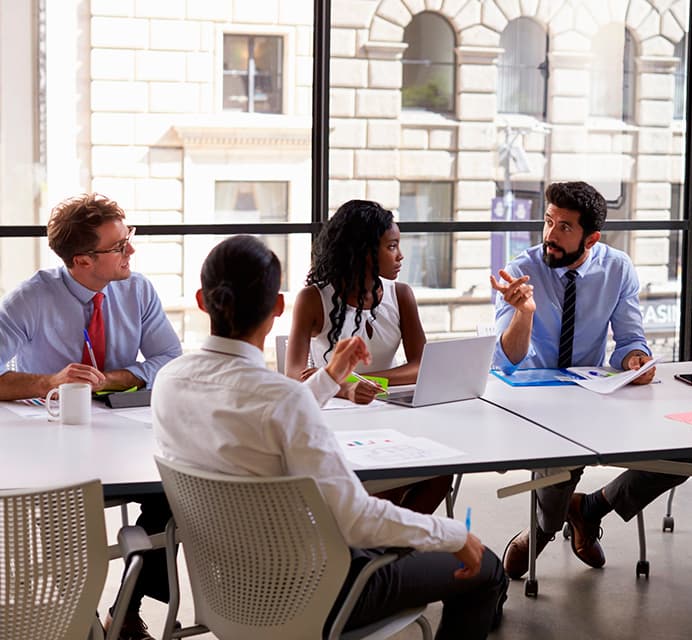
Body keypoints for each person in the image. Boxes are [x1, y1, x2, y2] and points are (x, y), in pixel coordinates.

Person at [152, 235, 508, 639]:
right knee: (487, 569)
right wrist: (454, 534)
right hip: (315, 593)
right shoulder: (281, 399)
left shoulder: (170, 381)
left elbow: (266, 410)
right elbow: (356, 521)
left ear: (202, 300)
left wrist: (329, 378)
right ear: (278, 308)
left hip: (227, 590)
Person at [0, 193, 183, 640]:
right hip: (55, 445)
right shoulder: (31, 298)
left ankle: (125, 612)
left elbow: (170, 359)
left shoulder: (137, 289)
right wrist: (48, 382)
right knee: (67, 521)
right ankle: (77, 616)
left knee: (172, 492)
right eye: (119, 246)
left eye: (129, 239)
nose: (131, 252)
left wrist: (112, 379)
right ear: (82, 260)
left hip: (125, 434)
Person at [491, 181, 690, 579]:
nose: (550, 234)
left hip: (591, 392)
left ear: (592, 237)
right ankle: (542, 532)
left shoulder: (617, 268)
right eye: (548, 222)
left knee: (680, 457)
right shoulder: (519, 271)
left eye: (564, 227)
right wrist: (524, 313)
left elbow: (630, 341)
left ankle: (591, 507)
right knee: (559, 460)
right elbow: (506, 359)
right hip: (533, 398)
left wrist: (637, 359)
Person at [286, 199, 452, 515]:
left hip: (390, 415)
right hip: (336, 419)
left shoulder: (400, 294)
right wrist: (345, 387)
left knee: (442, 473)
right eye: (391, 246)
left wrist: (364, 381)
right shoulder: (313, 299)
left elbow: (422, 366)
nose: (401, 255)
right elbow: (294, 376)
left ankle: (386, 551)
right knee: (388, 479)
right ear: (364, 251)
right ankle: (380, 549)